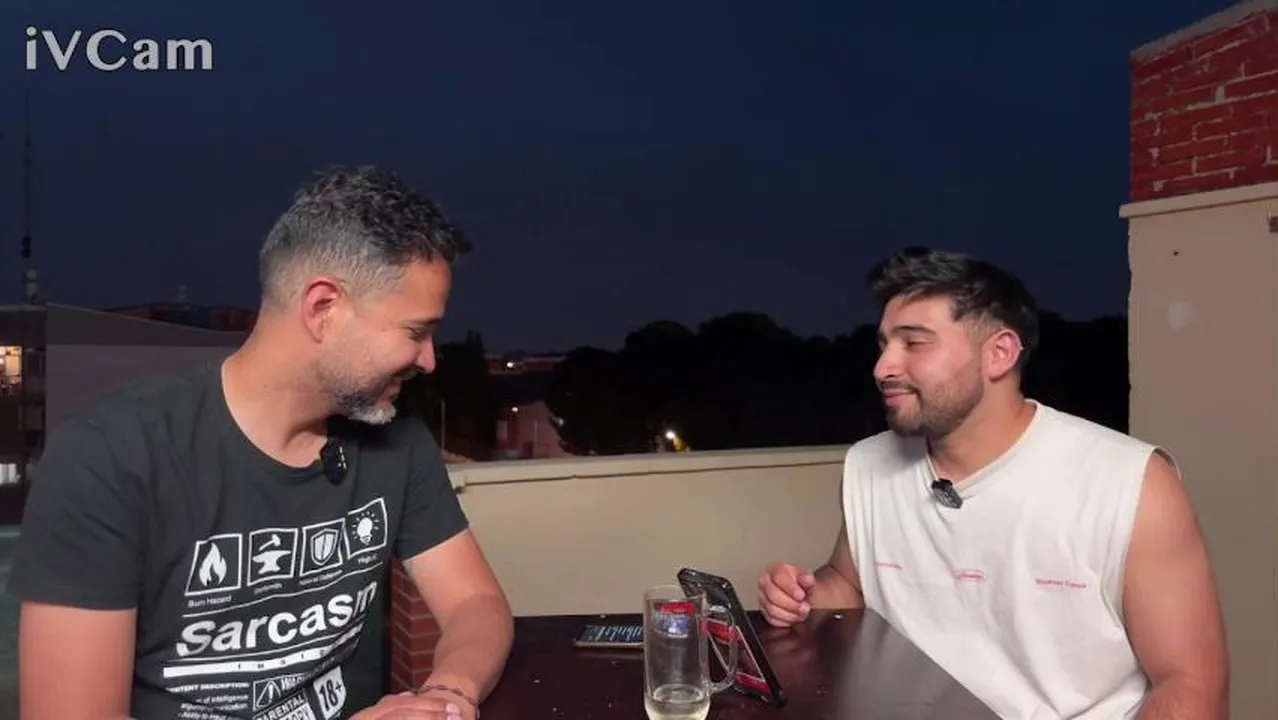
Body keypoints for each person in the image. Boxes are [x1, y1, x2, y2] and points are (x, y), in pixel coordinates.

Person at [9, 167, 514, 720]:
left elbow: (476, 603)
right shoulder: (107, 457)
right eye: (415, 332)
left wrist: (449, 695)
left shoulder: (397, 439)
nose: (430, 360)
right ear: (323, 309)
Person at [757, 247, 1229, 719]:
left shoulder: (1131, 482)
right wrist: (801, 598)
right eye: (883, 345)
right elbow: (848, 583)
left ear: (999, 353)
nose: (883, 368)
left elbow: (1191, 684)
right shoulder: (867, 465)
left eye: (914, 343)